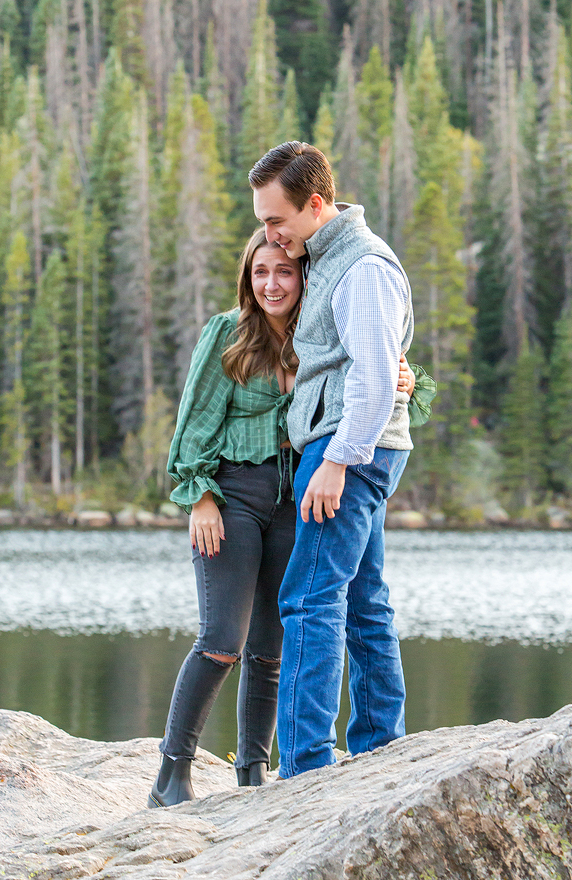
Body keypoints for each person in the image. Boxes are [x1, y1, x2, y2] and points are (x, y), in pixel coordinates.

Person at [148, 226, 419, 806]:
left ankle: (252, 772)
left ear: (303, 276)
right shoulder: (227, 333)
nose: (271, 284)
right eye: (260, 273)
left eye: (284, 272)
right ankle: (172, 774)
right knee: (222, 640)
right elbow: (192, 425)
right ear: (247, 280)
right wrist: (199, 499)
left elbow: (373, 376)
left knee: (271, 646)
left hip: (294, 500)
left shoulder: (318, 336)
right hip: (232, 499)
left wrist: (407, 377)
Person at [250, 141, 424, 779]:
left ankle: (305, 769)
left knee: (309, 598)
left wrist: (338, 461)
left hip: (347, 448)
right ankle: (380, 750)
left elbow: (376, 378)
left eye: (277, 221)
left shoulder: (362, 268)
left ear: (316, 204)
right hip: (354, 444)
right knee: (364, 600)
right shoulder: (326, 256)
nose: (270, 233)